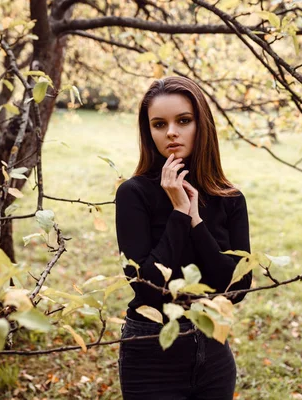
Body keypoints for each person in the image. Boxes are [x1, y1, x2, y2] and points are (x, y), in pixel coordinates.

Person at [114, 76, 252, 399]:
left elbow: (236, 288)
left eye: (183, 121)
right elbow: (147, 287)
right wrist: (177, 211)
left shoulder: (230, 199)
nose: (171, 132)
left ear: (201, 125)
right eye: (159, 124)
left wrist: (195, 220)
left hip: (213, 352)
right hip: (151, 353)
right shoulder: (134, 194)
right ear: (149, 132)